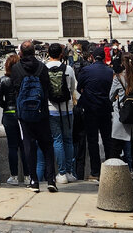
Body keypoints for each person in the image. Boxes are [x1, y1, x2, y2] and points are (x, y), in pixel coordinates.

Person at [13, 41, 58, 192]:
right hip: (42, 112)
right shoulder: (42, 67)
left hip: (25, 114)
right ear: (34, 52)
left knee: (29, 145)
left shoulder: (16, 68)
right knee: (47, 144)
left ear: (21, 52)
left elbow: (15, 90)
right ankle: (51, 179)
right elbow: (48, 89)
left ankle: (34, 181)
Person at [77, 47, 115, 181]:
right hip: (105, 108)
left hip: (90, 110)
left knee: (92, 141)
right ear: (104, 58)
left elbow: (78, 87)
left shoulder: (86, 70)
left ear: (92, 57)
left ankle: (95, 171)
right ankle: (110, 168)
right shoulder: (110, 71)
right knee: (107, 140)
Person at [110, 53, 133, 188]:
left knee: (116, 148)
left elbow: (110, 96)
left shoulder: (118, 78)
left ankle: (116, 179)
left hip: (122, 116)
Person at [45, 42, 77, 184]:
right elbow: (72, 89)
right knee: (68, 140)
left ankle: (62, 173)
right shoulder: (68, 68)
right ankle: (70, 172)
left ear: (48, 54)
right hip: (67, 108)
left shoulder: (44, 68)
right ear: (61, 54)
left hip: (51, 109)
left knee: (57, 140)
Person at [0, 53, 30, 185]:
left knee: (12, 146)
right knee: (24, 145)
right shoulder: (24, 78)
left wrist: (6, 107)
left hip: (9, 115)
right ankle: (27, 176)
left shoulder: (4, 79)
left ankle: (14, 176)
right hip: (22, 114)